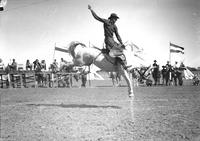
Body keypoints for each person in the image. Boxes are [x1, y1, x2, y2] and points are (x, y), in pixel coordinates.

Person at [88, 5, 130, 70]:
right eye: (115, 19)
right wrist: (91, 10)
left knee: (121, 49)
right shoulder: (106, 21)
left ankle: (118, 63)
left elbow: (117, 35)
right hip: (108, 39)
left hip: (112, 40)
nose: (116, 20)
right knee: (115, 51)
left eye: (116, 19)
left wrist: (122, 43)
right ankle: (122, 65)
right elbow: (97, 17)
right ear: (112, 18)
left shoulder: (115, 26)